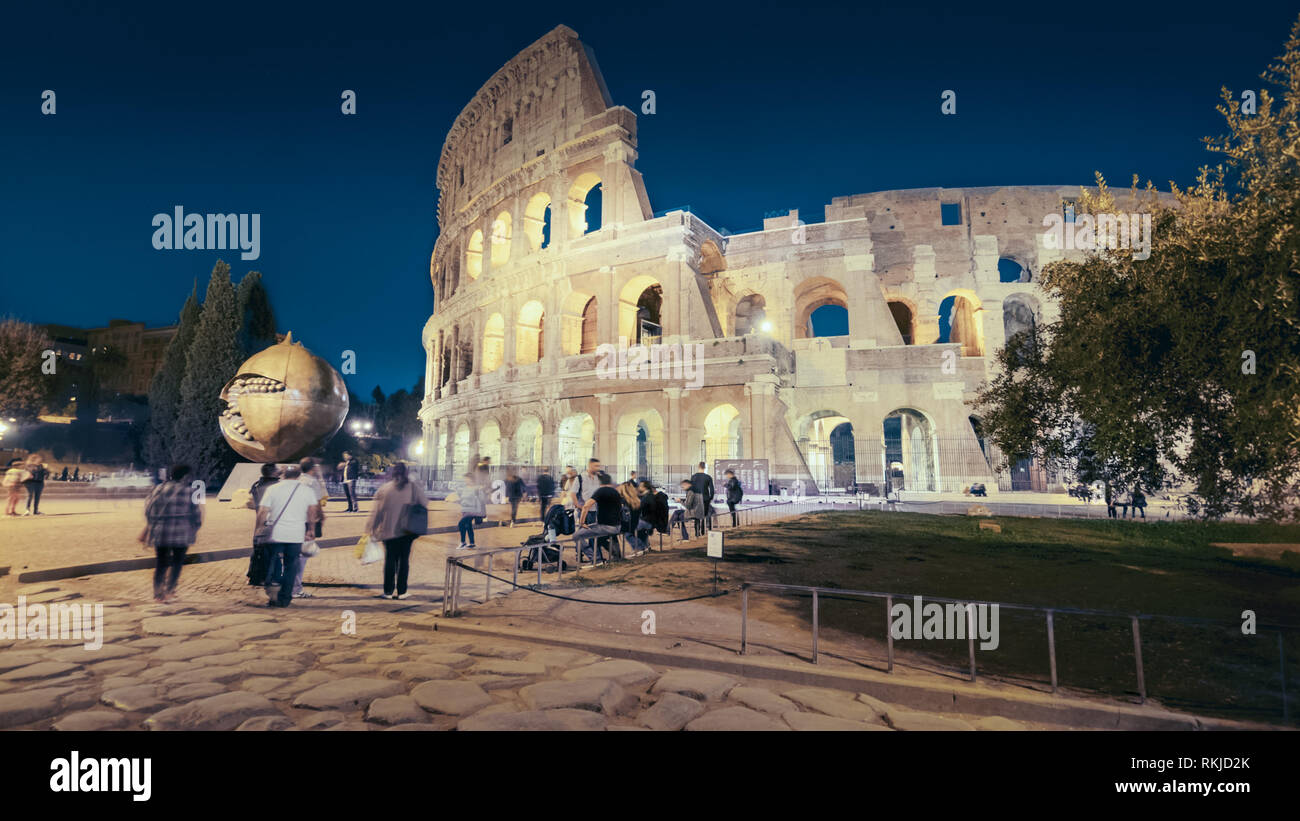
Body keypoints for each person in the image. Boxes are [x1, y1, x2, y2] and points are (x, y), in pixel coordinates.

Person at [256, 465, 320, 608]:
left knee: (274, 565)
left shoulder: (272, 489)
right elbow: (312, 512)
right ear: (298, 475)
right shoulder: (307, 491)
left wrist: (258, 528)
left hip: (275, 534)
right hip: (296, 534)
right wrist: (311, 529)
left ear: (283, 474)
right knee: (291, 566)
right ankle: (285, 599)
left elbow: (262, 511)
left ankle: (273, 596)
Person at [140, 464, 204, 602]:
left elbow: (148, 510)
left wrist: (152, 526)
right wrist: (194, 528)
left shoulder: (158, 489)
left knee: (161, 563)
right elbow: (196, 515)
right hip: (181, 533)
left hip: (161, 532)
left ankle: (158, 594)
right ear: (185, 476)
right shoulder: (190, 492)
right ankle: (170, 590)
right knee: (177, 563)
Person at [364, 462, 429, 599]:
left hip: (388, 531)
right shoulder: (413, 487)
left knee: (390, 560)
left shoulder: (384, 489)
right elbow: (424, 502)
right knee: (404, 561)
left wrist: (370, 528)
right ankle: (402, 591)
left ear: (392, 473)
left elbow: (377, 512)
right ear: (406, 472)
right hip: (407, 531)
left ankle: (388, 591)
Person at [290, 458, 328, 599]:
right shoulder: (312, 482)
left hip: (293, 520)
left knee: (292, 554)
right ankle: (296, 588)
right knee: (302, 556)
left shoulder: (296, 480)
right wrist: (320, 519)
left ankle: (290, 584)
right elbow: (316, 504)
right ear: (312, 468)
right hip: (307, 521)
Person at [575, 472, 623, 562]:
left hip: (606, 526)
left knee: (577, 535)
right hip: (617, 526)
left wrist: (582, 523)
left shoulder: (601, 491)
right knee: (600, 538)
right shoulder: (615, 492)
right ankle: (617, 556)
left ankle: (596, 560)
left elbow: (586, 506)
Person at [246, 464, 281, 586]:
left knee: (259, 549)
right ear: (273, 472)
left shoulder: (257, 485)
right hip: (272, 521)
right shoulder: (276, 486)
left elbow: (250, 503)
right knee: (272, 551)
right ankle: (272, 578)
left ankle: (254, 576)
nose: (280, 469)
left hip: (260, 520)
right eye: (277, 468)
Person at [456, 472, 486, 549]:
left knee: (461, 524)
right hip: (465, 510)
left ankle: (463, 542)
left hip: (472, 511)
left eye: (466, 479)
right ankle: (472, 543)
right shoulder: (465, 488)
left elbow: (482, 500)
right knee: (468, 526)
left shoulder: (477, 488)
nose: (465, 481)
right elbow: (463, 498)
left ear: (471, 479)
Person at [637, 480, 669, 545]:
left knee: (631, 528)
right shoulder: (653, 497)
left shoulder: (649, 497)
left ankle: (642, 547)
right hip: (655, 521)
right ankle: (646, 546)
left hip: (653, 521)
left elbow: (642, 509)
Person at [690, 462, 716, 531]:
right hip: (705, 499)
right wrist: (710, 498)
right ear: (705, 468)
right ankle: (703, 531)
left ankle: (697, 533)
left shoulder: (693, 477)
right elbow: (712, 490)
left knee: (697, 516)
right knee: (704, 515)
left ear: (698, 467)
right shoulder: (708, 477)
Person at [617, 480, 642, 550]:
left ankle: (639, 548)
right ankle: (643, 547)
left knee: (628, 535)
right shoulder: (637, 500)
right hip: (637, 524)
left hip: (628, 526)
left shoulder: (623, 501)